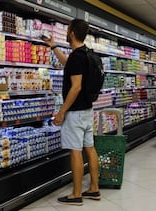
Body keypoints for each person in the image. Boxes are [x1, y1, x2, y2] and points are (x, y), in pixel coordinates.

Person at [43, 19, 100, 206]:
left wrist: (61, 112)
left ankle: (76, 194)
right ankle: (94, 188)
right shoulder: (87, 54)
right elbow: (69, 65)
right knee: (90, 149)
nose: (67, 33)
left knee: (75, 152)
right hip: (87, 110)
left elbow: (75, 87)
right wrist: (54, 47)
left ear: (72, 33)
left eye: (67, 30)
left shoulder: (77, 56)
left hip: (75, 113)